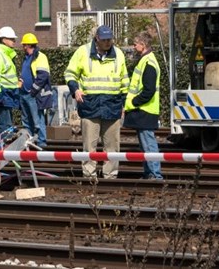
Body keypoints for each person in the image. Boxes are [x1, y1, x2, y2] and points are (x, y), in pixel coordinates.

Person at [65, 25, 130, 179]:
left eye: (110, 39)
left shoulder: (118, 54)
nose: (108, 42)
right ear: (97, 39)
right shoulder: (83, 52)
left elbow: (124, 81)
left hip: (112, 105)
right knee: (89, 146)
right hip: (90, 105)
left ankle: (110, 176)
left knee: (112, 147)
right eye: (105, 40)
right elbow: (70, 73)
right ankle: (89, 176)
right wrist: (75, 89)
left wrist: (124, 104)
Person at [124, 33, 163, 181]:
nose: (134, 46)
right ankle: (149, 173)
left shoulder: (148, 62)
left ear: (143, 44)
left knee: (148, 144)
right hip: (146, 109)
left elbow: (148, 91)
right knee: (146, 145)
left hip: (146, 110)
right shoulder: (147, 60)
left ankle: (154, 174)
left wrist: (133, 102)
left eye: (135, 43)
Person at [19, 32, 54, 149]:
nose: (23, 47)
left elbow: (43, 76)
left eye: (24, 45)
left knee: (37, 120)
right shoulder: (27, 58)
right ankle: (29, 141)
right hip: (24, 93)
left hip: (33, 94)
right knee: (26, 120)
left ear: (28, 45)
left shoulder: (40, 57)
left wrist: (33, 90)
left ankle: (41, 141)